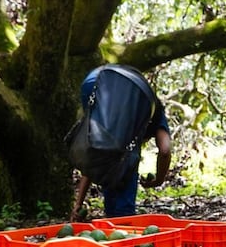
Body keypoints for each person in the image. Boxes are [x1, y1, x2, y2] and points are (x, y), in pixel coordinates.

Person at [70, 65, 172, 219]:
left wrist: (78, 203)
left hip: (95, 80)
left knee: (106, 153)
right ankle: (122, 223)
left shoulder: (120, 128)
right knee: (126, 158)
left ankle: (114, 222)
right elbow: (165, 150)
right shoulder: (154, 111)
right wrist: (158, 180)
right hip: (118, 83)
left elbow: (93, 154)